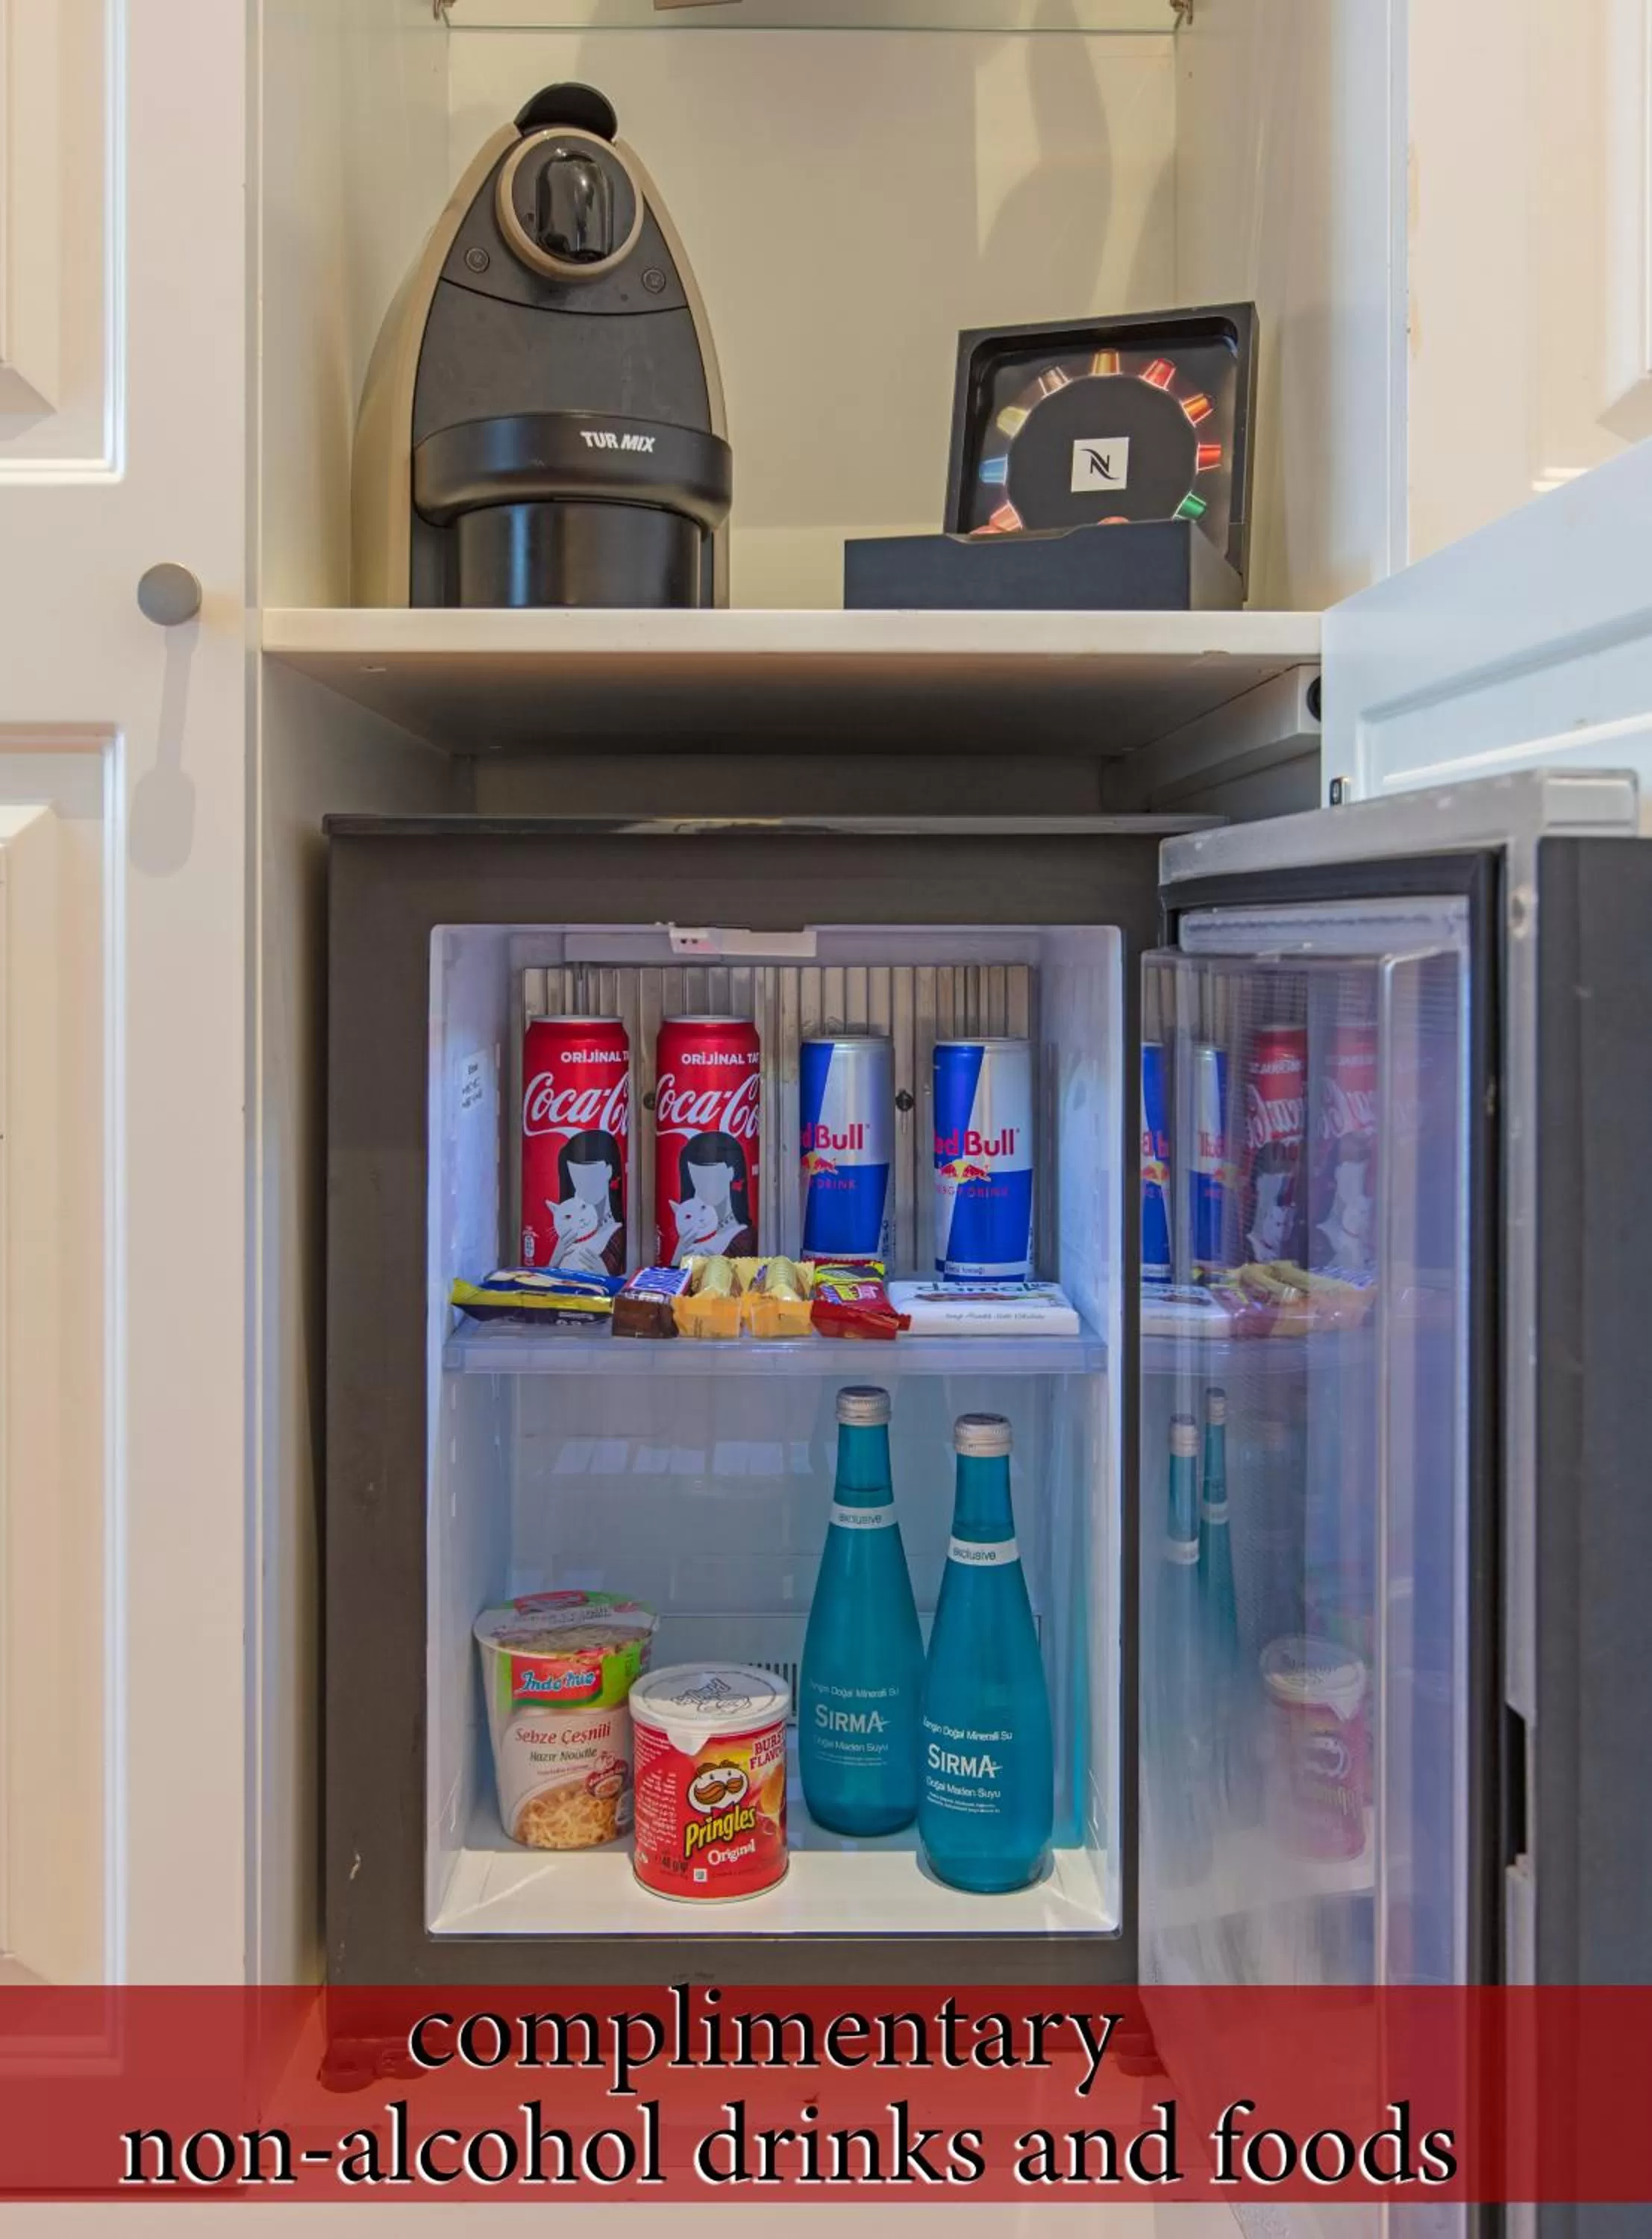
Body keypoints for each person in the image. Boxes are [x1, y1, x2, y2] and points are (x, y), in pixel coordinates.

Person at [670, 1128, 756, 1261]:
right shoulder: (689, 1232)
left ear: (731, 1172)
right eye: (697, 1179)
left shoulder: (743, 1235)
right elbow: (673, 1277)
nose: (705, 1187)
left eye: (711, 1177)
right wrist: (680, 1250)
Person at [548, 1128, 625, 1275]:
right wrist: (555, 1259)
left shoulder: (617, 1229)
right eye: (577, 1179)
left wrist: (603, 1274)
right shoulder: (566, 1226)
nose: (584, 1187)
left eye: (591, 1176)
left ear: (609, 1171)